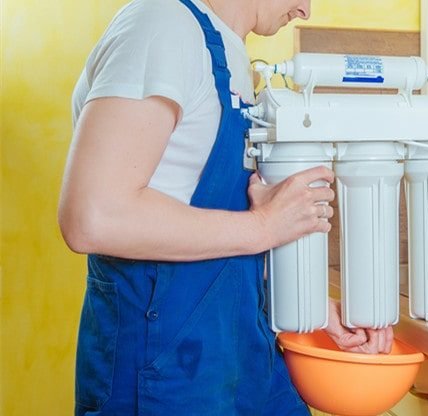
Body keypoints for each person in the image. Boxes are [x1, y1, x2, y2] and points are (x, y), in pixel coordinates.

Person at [58, 0, 393, 414]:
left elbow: (218, 227)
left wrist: (310, 306)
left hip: (240, 357)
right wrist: (265, 225)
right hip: (165, 376)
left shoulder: (227, 51)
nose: (305, 10)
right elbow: (94, 216)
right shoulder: (162, 25)